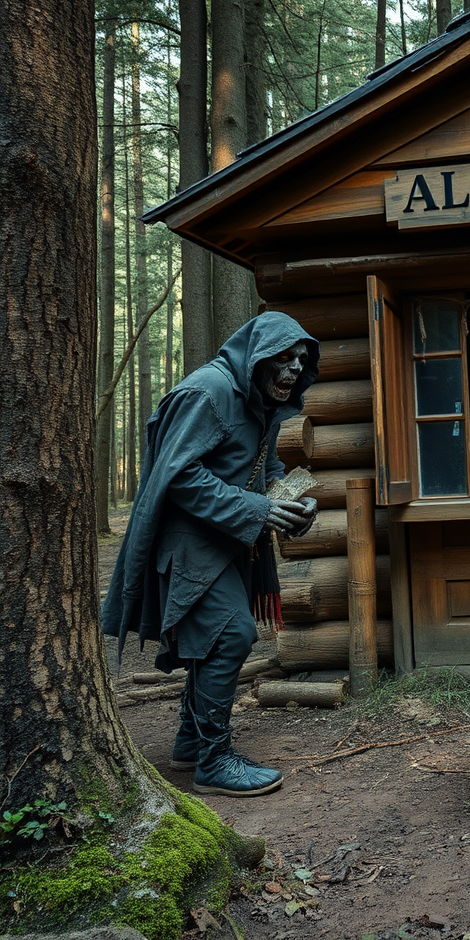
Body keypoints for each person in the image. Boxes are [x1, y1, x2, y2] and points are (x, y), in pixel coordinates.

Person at [102, 312, 320, 797]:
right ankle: (213, 760)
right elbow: (178, 475)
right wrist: (257, 508)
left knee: (214, 638)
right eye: (283, 359)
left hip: (228, 542)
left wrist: (289, 499)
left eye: (300, 361)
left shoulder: (257, 399)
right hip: (189, 544)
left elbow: (259, 463)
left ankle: (189, 742)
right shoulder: (208, 391)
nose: (291, 371)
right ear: (257, 355)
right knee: (232, 633)